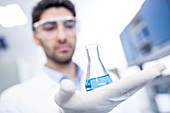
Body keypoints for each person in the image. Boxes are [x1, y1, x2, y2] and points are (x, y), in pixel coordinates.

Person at [0, 0, 167, 113]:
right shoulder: (12, 101)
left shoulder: (113, 81)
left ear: (76, 29)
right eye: (50, 27)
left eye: (69, 25)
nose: (62, 36)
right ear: (36, 37)